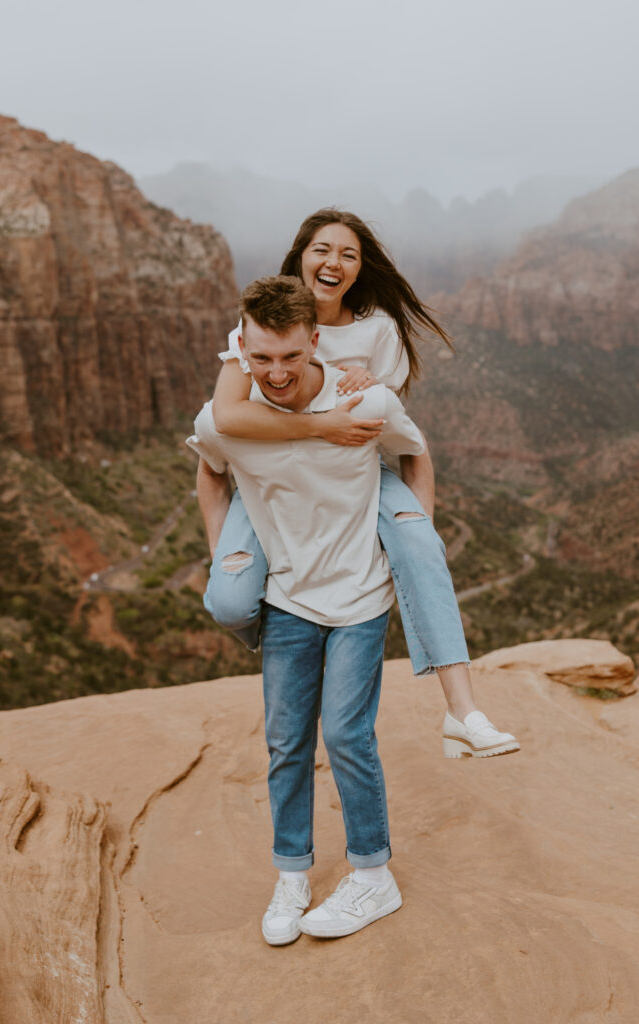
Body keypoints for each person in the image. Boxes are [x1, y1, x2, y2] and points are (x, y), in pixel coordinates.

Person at [200, 208, 519, 759]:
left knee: (422, 546)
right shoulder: (259, 325)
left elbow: (391, 426)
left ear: (359, 268)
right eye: (322, 249)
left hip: (357, 472)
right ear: (301, 256)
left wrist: (411, 531)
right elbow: (225, 421)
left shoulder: (379, 331)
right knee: (228, 600)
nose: (334, 262)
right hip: (276, 477)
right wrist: (322, 423)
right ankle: (281, 621)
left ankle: (463, 712)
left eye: (349, 254)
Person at [189, 275, 427, 943]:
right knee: (285, 740)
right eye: (260, 358)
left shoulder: (364, 400)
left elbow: (413, 453)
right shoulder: (225, 421)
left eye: (289, 356)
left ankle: (373, 876)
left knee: (347, 736)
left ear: (314, 341)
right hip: (287, 597)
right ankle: (292, 872)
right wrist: (222, 557)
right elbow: (208, 469)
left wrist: (416, 541)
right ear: (240, 351)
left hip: (357, 593)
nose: (275, 372)